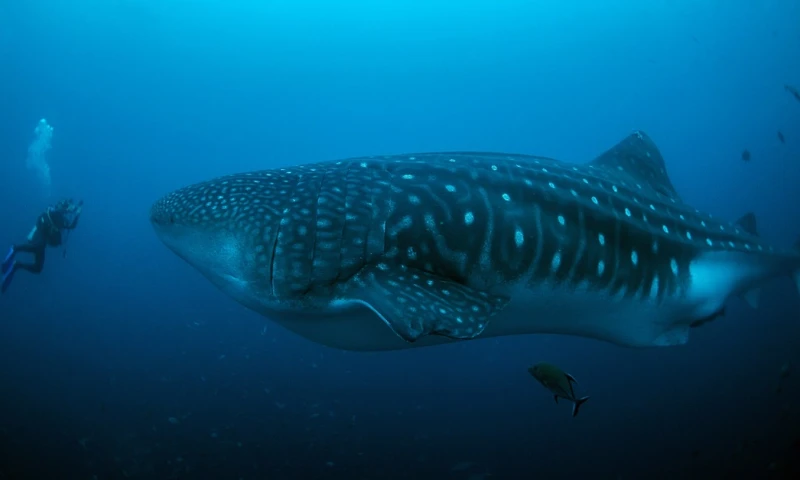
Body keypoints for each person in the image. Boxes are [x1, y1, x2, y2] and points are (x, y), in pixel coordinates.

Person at [2, 198, 83, 293]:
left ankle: (17, 264)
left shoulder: (61, 218)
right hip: (40, 234)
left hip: (42, 239)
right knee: (37, 247)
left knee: (38, 268)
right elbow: (58, 211)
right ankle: (14, 248)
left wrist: (77, 214)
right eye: (68, 206)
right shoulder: (56, 211)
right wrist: (72, 209)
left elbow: (71, 226)